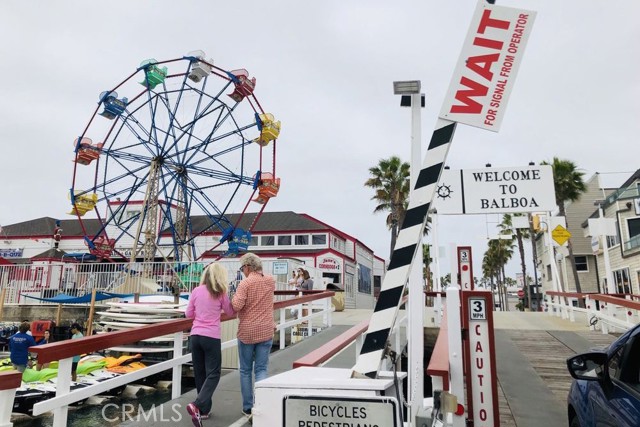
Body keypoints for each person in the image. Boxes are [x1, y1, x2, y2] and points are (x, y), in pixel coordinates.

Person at [185, 263, 235, 427]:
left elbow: (188, 314)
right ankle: (197, 405)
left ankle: (203, 411)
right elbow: (230, 312)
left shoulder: (196, 291)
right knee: (213, 373)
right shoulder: (220, 292)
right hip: (211, 336)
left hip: (195, 335)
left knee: (200, 373)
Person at [232, 253, 275, 421]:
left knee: (245, 370)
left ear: (248, 267)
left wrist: (234, 296)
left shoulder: (245, 283)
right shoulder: (270, 280)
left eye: (243, 268)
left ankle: (248, 407)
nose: (242, 271)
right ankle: (262, 405)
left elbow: (236, 305)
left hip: (248, 332)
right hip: (266, 329)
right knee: (262, 369)